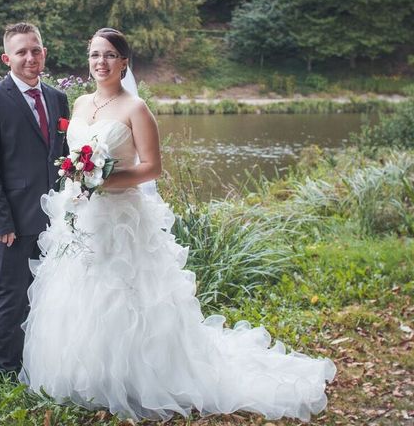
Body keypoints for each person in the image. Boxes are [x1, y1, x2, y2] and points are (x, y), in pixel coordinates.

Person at [19, 28, 336, 422]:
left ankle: (137, 377)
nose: (101, 62)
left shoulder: (137, 109)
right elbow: (72, 158)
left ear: (124, 63)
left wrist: (103, 180)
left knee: (125, 294)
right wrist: (79, 180)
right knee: (79, 289)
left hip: (121, 217)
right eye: (95, 55)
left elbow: (153, 167)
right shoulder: (80, 104)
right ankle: (88, 375)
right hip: (81, 215)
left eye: (110, 55)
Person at [0, 22, 70, 375]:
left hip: (56, 220)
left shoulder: (58, 98)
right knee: (12, 295)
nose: (30, 57)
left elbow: (64, 157)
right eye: (22, 52)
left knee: (50, 293)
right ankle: (5, 369)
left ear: (44, 52)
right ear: (6, 58)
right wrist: (1, 220)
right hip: (14, 220)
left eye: (36, 49)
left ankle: (40, 365)